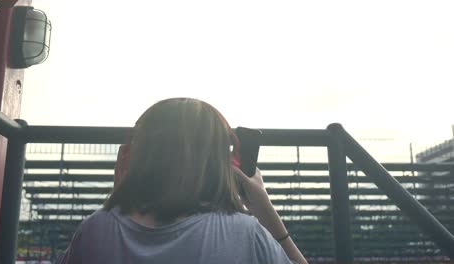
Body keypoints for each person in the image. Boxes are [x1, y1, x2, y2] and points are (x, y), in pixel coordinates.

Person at [57, 98, 308, 264]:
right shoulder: (245, 234)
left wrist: (119, 195)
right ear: (221, 161)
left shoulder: (95, 229)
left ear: (135, 156)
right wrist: (265, 210)